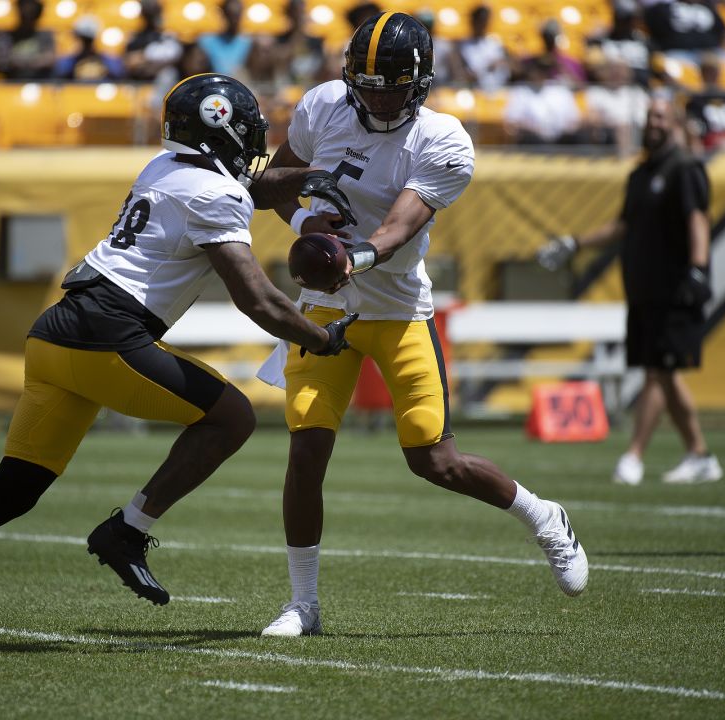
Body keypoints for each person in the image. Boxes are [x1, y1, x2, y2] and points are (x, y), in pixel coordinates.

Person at [0, 74, 362, 653]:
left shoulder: (163, 171)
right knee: (232, 417)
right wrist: (321, 340)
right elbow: (257, 298)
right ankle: (127, 530)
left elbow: (251, 187)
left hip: (56, 333)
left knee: (16, 485)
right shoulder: (213, 195)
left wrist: (309, 179)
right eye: (244, 132)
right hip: (108, 335)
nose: (252, 145)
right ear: (223, 131)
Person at [256, 12, 589, 638]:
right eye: (369, 82)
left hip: (396, 307)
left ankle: (543, 516)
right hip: (326, 310)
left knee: (435, 460)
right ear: (351, 77)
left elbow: (399, 225)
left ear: (421, 81)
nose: (379, 94)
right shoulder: (323, 105)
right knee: (305, 452)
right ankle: (303, 604)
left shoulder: (444, 140)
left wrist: (348, 258)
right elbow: (274, 183)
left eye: (392, 83)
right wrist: (305, 228)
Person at [538, 98, 722, 486]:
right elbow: (622, 225)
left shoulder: (684, 168)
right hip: (643, 288)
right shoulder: (640, 173)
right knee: (665, 372)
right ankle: (700, 454)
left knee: (659, 370)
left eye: (660, 116)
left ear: (674, 123)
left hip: (675, 288)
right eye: (649, 116)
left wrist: (699, 269)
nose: (652, 122)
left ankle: (634, 455)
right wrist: (575, 243)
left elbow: (697, 220)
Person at [503, 56, 582, 144]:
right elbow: (511, 121)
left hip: (561, 139)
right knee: (530, 139)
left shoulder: (560, 89)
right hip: (533, 139)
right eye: (537, 70)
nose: (540, 73)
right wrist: (532, 128)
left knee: (576, 137)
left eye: (544, 70)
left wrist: (565, 130)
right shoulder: (521, 91)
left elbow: (574, 119)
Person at [0, 0, 57, 80]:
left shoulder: (45, 35)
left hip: (40, 83)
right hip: (8, 85)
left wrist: (17, 61)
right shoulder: (4, 36)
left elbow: (49, 60)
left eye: (32, 9)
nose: (27, 12)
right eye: (23, 6)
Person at [451, 5, 511, 91]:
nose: (482, 24)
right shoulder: (462, 45)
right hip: (475, 89)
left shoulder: (495, 42)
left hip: (498, 89)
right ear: (473, 21)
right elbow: (460, 71)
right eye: (479, 21)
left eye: (484, 21)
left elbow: (503, 65)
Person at [53, 15, 124, 81]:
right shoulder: (69, 61)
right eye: (84, 39)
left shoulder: (108, 60)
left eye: (88, 40)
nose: (86, 43)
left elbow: (119, 76)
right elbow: (59, 77)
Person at [198, 0, 254, 77]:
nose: (234, 19)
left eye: (237, 14)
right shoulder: (206, 40)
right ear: (223, 14)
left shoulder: (249, 41)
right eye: (230, 14)